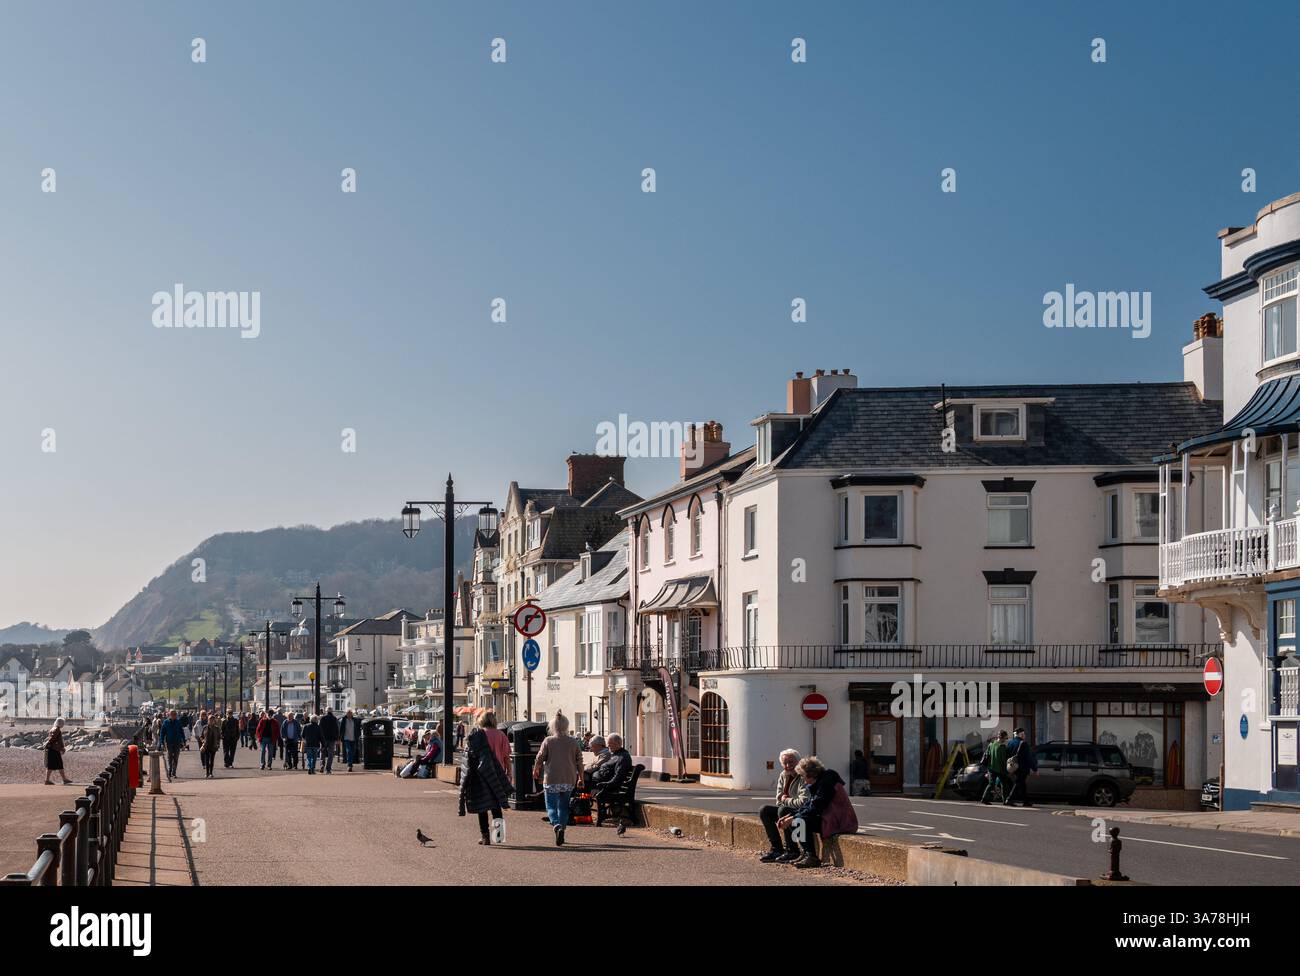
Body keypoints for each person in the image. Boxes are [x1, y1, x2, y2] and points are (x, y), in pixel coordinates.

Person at [778, 755, 853, 869]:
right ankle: (805, 853)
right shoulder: (819, 782)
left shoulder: (827, 782)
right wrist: (790, 816)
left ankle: (811, 856)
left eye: (803, 776)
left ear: (811, 774)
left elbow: (817, 806)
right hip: (828, 817)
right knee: (795, 819)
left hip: (838, 820)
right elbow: (809, 805)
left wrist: (793, 818)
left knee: (799, 821)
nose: (802, 779)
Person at [457, 710, 512, 845]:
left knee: (482, 806)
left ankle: (485, 836)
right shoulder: (501, 735)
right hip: (497, 775)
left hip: (480, 775)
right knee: (496, 806)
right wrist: (509, 773)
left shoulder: (477, 736)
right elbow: (506, 757)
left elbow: (469, 756)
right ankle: (498, 837)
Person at [533, 711, 583, 846]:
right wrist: (581, 778)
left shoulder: (548, 741)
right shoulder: (573, 741)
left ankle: (556, 826)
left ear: (552, 726)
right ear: (566, 726)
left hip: (551, 778)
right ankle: (562, 829)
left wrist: (536, 769)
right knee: (563, 806)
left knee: (551, 806)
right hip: (569, 778)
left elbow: (540, 757)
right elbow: (579, 761)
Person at [758, 749, 807, 863]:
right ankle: (777, 849)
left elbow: (803, 802)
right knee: (764, 810)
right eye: (785, 763)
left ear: (798, 762)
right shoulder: (783, 775)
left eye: (791, 762)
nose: (788, 765)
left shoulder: (803, 776)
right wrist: (786, 800)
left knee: (783, 810)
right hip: (786, 809)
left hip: (801, 813)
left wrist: (786, 799)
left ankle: (792, 850)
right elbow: (778, 800)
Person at [1005, 726, 1037, 807]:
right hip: (1022, 768)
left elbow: (1007, 755)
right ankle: (1009, 799)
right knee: (1018, 783)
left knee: (1022, 784)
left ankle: (1026, 801)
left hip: (1013, 767)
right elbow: (1028, 758)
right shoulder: (1023, 743)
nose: (1025, 735)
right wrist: (1035, 769)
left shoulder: (1010, 743)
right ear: (1021, 734)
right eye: (1024, 734)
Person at [981, 730, 1011, 805]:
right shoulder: (1002, 747)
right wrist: (1007, 770)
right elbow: (1003, 760)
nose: (1006, 740)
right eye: (1005, 738)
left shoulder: (991, 744)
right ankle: (1005, 801)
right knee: (1004, 785)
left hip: (991, 768)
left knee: (991, 784)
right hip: (1000, 769)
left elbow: (987, 755)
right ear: (1002, 738)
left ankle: (984, 799)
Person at [43, 718, 71, 785]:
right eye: (63, 723)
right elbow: (53, 739)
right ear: (60, 723)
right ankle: (47, 780)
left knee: (56, 765)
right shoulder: (57, 730)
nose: (63, 724)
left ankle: (64, 779)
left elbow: (52, 738)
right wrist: (62, 748)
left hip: (52, 749)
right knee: (55, 765)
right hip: (54, 749)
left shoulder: (53, 728)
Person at [160, 709, 185, 780]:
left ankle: (174, 772)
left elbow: (181, 731)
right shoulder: (166, 722)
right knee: (169, 757)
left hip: (177, 742)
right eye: (172, 714)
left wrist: (183, 741)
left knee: (176, 758)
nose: (174, 715)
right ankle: (170, 770)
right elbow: (162, 733)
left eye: (175, 714)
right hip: (169, 742)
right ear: (169, 715)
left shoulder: (178, 722)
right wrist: (161, 742)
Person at [199, 712, 220, 778]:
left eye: (213, 720)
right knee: (207, 760)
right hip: (206, 746)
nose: (211, 721)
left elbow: (219, 737)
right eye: (210, 720)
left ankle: (211, 773)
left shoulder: (217, 728)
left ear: (214, 721)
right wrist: (203, 741)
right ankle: (207, 773)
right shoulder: (205, 727)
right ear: (208, 720)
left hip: (213, 746)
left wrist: (218, 744)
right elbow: (201, 736)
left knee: (212, 760)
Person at [319, 708, 339, 774]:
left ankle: (322, 765)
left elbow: (320, 728)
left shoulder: (322, 718)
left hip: (323, 738)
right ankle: (328, 769)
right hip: (332, 739)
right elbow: (337, 729)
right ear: (332, 711)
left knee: (322, 752)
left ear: (326, 711)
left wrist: (320, 737)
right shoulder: (334, 719)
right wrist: (337, 738)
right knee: (331, 754)